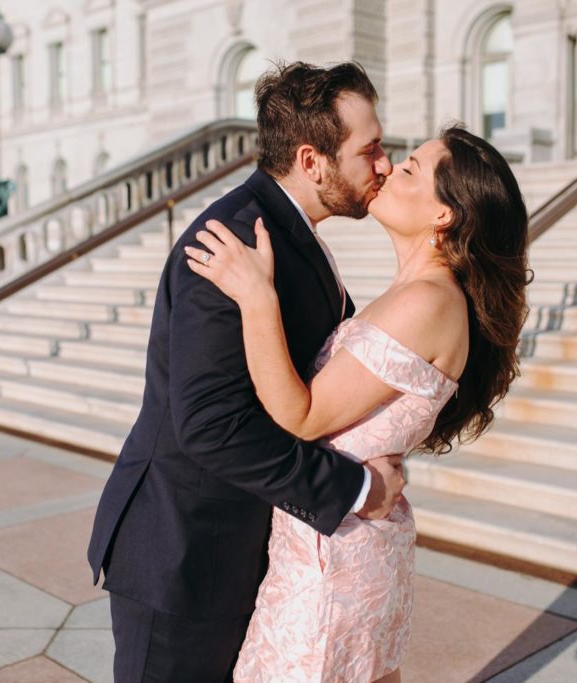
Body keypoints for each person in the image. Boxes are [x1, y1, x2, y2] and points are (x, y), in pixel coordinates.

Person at [87, 61, 407, 682]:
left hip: (235, 550)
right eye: (369, 150)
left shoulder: (289, 230)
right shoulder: (231, 241)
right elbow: (211, 426)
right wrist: (355, 490)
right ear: (313, 162)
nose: (384, 165)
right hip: (185, 556)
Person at [184, 124, 531, 682]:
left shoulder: (428, 300)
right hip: (336, 549)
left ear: (445, 215)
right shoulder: (414, 293)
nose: (391, 168)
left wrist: (255, 297)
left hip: (334, 570)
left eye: (412, 169)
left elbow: (302, 414)